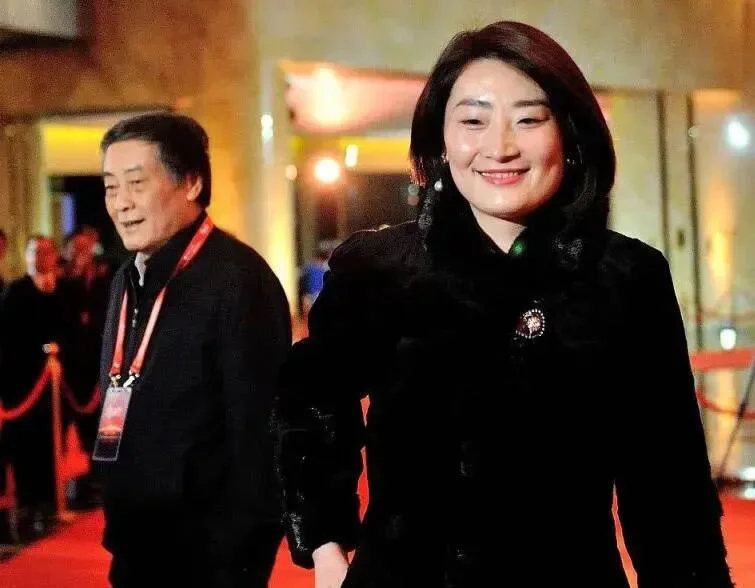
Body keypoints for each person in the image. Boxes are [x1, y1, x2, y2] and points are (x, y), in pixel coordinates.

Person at [273, 21, 734, 587]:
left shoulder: (626, 277)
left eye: (529, 119)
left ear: (569, 134)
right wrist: (326, 543)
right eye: (473, 121)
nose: (500, 147)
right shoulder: (380, 268)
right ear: (441, 138)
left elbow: (668, 480)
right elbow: (311, 401)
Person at [96, 112, 291, 587]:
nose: (121, 203)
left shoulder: (238, 280)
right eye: (110, 187)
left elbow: (259, 437)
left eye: (136, 183)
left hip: (208, 558)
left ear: (191, 183)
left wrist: (238, 557)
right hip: (136, 541)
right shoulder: (126, 278)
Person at [0, 236, 68, 540]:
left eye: (47, 252)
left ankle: (49, 502)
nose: (42, 257)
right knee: (25, 448)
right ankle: (28, 504)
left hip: (50, 386)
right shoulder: (15, 291)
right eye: (36, 252)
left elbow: (67, 328)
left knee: (50, 444)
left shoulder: (59, 290)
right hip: (21, 386)